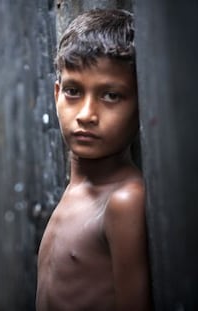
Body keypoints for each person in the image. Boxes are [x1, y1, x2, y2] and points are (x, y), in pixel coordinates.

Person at [36, 8, 151, 311]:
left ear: (141, 103)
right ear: (56, 93)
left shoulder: (124, 201)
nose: (86, 114)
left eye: (111, 96)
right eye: (73, 91)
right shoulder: (78, 188)